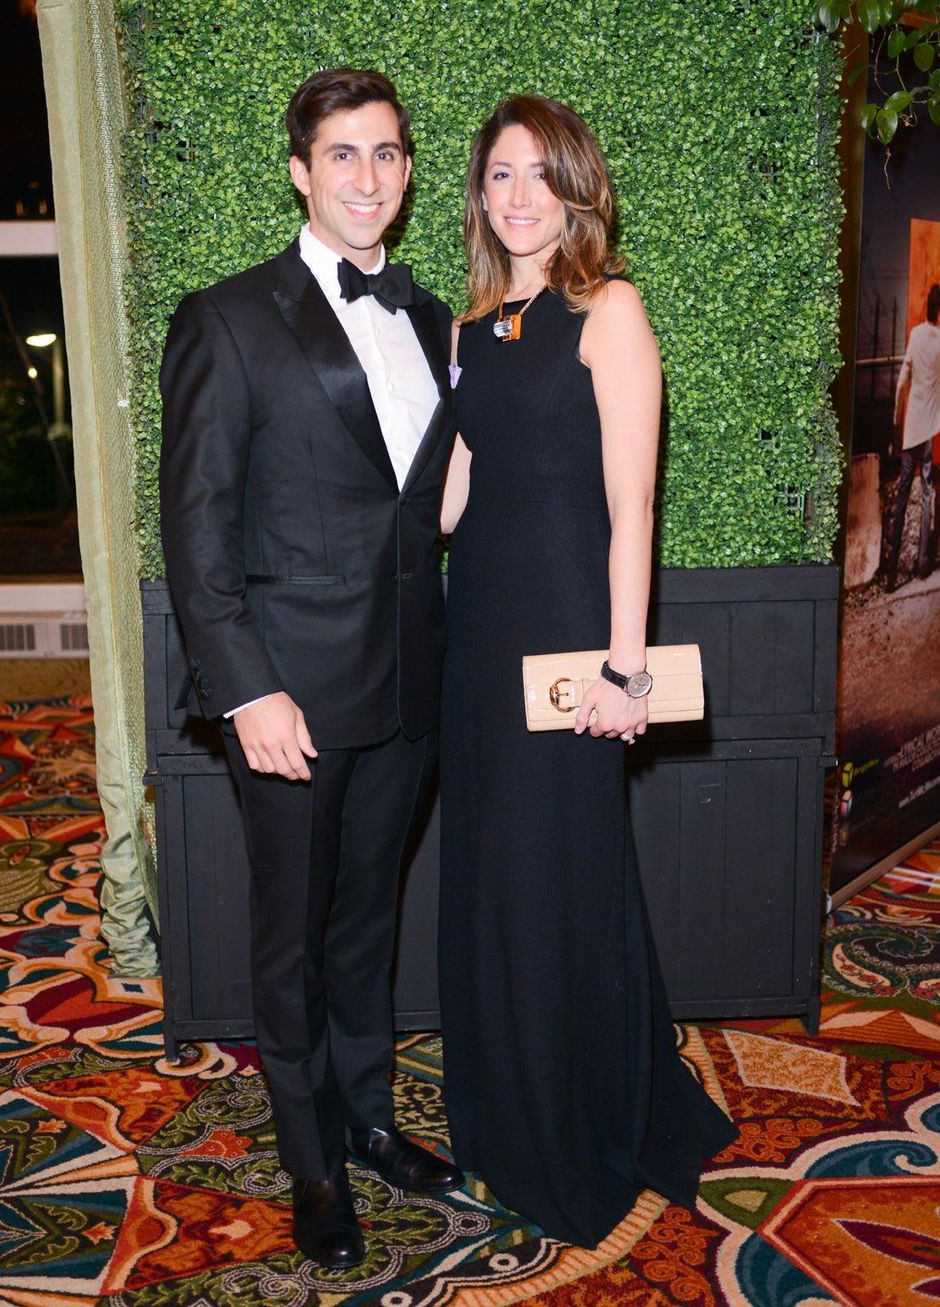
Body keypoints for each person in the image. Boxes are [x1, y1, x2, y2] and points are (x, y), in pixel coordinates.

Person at [159, 67, 462, 1271]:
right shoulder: (226, 319)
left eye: (386, 154)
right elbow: (195, 529)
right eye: (342, 154)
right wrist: (245, 688)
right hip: (286, 694)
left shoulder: (433, 314)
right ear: (299, 168)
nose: (367, 178)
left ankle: (370, 1116)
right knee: (287, 935)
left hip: (407, 687)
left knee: (364, 922)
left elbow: (425, 504)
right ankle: (312, 1160)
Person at [438, 95, 737, 1248]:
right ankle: (505, 1114)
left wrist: (623, 668)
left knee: (558, 875)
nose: (516, 197)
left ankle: (576, 1120)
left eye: (536, 174)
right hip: (479, 641)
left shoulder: (608, 309)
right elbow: (456, 488)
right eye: (497, 176)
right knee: (493, 877)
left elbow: (632, 503)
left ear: (575, 188)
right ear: (478, 194)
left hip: (571, 643)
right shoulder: (471, 327)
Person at [888, 282, 940, 589]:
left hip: (911, 436)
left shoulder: (916, 335)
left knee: (903, 497)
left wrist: (896, 421)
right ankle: (923, 566)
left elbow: (902, 383)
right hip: (930, 434)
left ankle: (893, 575)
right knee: (927, 495)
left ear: (926, 307)